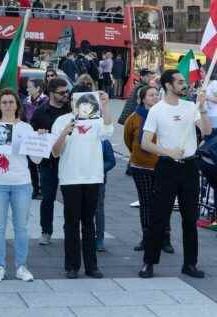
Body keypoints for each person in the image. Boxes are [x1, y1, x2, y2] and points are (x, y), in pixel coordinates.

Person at [139, 69, 211, 279]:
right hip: (166, 167)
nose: (184, 85)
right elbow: (145, 142)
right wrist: (167, 152)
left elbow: (206, 132)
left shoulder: (191, 106)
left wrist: (204, 109)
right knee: (159, 217)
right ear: (168, 85)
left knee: (190, 218)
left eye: (184, 81)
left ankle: (190, 264)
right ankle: (148, 263)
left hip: (189, 167)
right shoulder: (157, 110)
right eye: (179, 82)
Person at [51, 85, 112, 279]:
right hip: (70, 178)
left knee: (89, 223)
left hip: (93, 177)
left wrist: (104, 105)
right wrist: (64, 133)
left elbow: (109, 131)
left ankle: (91, 266)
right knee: (71, 223)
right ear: (71, 101)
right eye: (77, 100)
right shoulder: (61, 120)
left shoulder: (96, 120)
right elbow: (55, 152)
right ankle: (72, 265)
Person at [0, 89, 40, 282]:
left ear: (17, 105)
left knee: (21, 227)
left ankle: (21, 266)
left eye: (11, 102)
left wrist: (39, 141)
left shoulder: (26, 128)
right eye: (4, 102)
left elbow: (37, 159)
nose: (7, 105)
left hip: (21, 183)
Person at [124, 86, 173, 252]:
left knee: (163, 203)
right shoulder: (134, 118)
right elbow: (128, 139)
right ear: (142, 99)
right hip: (141, 166)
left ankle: (165, 238)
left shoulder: (164, 116)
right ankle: (147, 237)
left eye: (156, 95)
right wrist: (137, 154)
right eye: (151, 95)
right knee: (146, 203)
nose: (155, 97)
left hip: (163, 165)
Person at [29, 78, 71, 245]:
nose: (66, 95)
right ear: (51, 93)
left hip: (69, 160)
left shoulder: (71, 110)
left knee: (70, 199)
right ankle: (46, 231)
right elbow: (31, 136)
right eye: (62, 93)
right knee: (48, 198)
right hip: (49, 163)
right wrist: (38, 133)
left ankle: (70, 230)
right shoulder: (40, 112)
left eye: (67, 92)